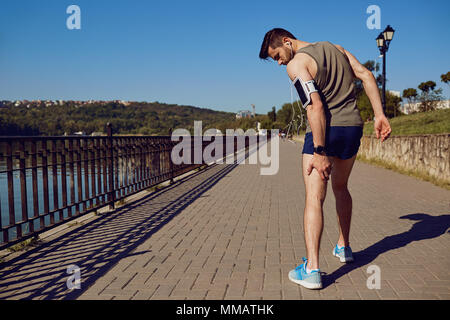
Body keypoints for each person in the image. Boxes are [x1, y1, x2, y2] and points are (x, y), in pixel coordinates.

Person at [259, 28, 391, 289]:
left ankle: (312, 270)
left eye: (277, 56)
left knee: (314, 198)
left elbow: (315, 106)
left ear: (287, 42)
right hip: (352, 128)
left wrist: (319, 152)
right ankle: (344, 247)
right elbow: (366, 74)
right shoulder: (337, 48)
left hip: (325, 131)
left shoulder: (298, 64)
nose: (280, 62)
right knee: (341, 188)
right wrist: (379, 114)